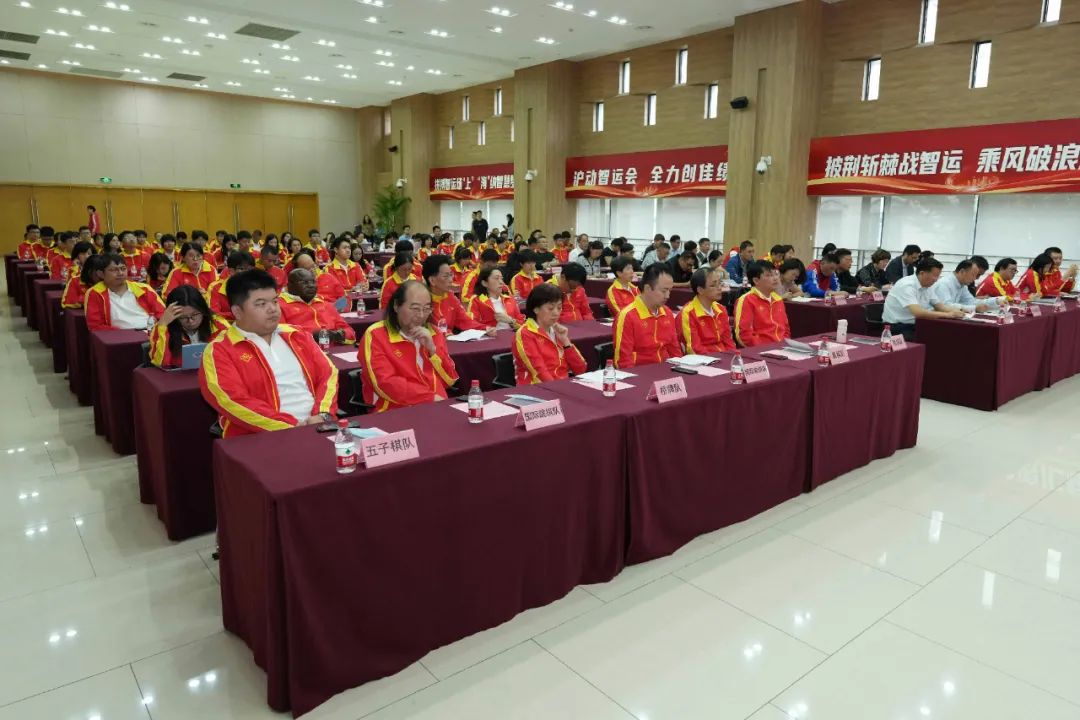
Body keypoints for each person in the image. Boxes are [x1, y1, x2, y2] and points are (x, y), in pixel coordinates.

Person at [200, 270, 338, 435]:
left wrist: (323, 413)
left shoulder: (297, 335)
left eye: (275, 301)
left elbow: (328, 374)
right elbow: (231, 400)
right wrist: (292, 426)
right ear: (237, 312)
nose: (272, 309)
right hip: (262, 436)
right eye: (261, 304)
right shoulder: (220, 350)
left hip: (317, 426)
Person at [361, 280, 458, 412]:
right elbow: (386, 383)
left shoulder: (434, 333)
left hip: (437, 407)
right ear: (396, 306)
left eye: (426, 309)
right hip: (395, 410)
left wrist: (433, 350)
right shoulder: (376, 335)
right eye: (415, 308)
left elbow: (450, 379)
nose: (421, 315)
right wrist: (429, 398)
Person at [510, 282, 588, 384]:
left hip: (562, 385)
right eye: (550, 308)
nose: (556, 313)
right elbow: (539, 372)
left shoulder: (557, 331)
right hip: (537, 389)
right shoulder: (525, 333)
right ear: (536, 309)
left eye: (559, 308)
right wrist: (559, 389)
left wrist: (566, 342)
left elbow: (581, 369)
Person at [613, 263, 682, 368]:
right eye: (664, 291)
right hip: (639, 372)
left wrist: (681, 368)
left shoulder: (667, 313)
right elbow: (623, 361)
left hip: (666, 370)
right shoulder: (627, 316)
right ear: (648, 288)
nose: (668, 296)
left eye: (670, 290)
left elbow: (674, 350)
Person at [882, 257, 965, 340]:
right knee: (934, 338)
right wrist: (948, 315)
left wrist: (957, 312)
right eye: (935, 276)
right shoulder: (907, 285)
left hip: (917, 324)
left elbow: (939, 306)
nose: (936, 280)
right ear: (922, 273)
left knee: (946, 334)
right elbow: (918, 313)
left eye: (938, 276)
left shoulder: (927, 286)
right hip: (897, 327)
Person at [148, 286, 230, 368]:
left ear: (203, 310)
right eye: (183, 317)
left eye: (195, 314)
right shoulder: (162, 327)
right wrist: (163, 326)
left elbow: (231, 357)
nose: (190, 321)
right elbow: (159, 363)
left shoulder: (218, 325)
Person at [85, 253, 167, 331]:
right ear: (101, 274)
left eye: (123, 269)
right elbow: (95, 326)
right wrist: (123, 335)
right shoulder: (95, 293)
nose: (120, 273)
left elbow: (163, 314)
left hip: (150, 332)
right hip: (119, 337)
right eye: (114, 270)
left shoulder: (144, 289)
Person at [278, 268, 356, 345]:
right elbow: (280, 337)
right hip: (304, 351)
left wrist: (336, 335)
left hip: (334, 349)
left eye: (313, 282)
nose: (311, 286)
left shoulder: (325, 305)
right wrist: (311, 336)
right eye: (304, 282)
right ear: (289, 285)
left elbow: (350, 332)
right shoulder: (279, 306)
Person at [423, 255, 493, 335]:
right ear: (432, 280)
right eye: (446, 276)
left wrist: (485, 328)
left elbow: (465, 321)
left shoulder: (450, 297)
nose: (451, 280)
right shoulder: (422, 301)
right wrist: (445, 334)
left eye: (451, 275)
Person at [734, 261, 791, 347]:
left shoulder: (778, 300)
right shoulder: (747, 300)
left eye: (776, 274)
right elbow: (744, 336)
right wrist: (764, 348)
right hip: (761, 350)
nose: (775, 278)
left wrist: (784, 345)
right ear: (756, 280)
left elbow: (786, 329)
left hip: (782, 348)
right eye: (769, 275)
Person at [679, 267, 735, 354]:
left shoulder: (721, 309)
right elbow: (695, 348)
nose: (719, 288)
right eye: (713, 285)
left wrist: (733, 356)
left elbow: (728, 341)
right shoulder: (688, 313)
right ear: (700, 290)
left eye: (720, 283)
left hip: (725, 356)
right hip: (705, 359)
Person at [931, 259, 1000, 314]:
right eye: (973, 275)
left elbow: (971, 302)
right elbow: (945, 306)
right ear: (962, 271)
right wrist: (974, 308)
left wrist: (996, 301)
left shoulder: (962, 285)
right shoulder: (944, 283)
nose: (974, 279)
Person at [207, 250, 254, 321]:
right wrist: (237, 315)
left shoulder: (257, 287)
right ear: (231, 271)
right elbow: (214, 315)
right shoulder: (215, 288)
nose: (247, 273)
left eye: (250, 269)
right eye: (242, 269)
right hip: (226, 327)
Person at [322, 236, 367, 306]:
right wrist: (353, 288)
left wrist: (364, 286)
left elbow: (363, 282)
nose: (348, 250)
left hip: (358, 301)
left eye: (349, 248)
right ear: (336, 250)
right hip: (340, 304)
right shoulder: (328, 269)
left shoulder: (356, 265)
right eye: (344, 248)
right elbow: (333, 290)